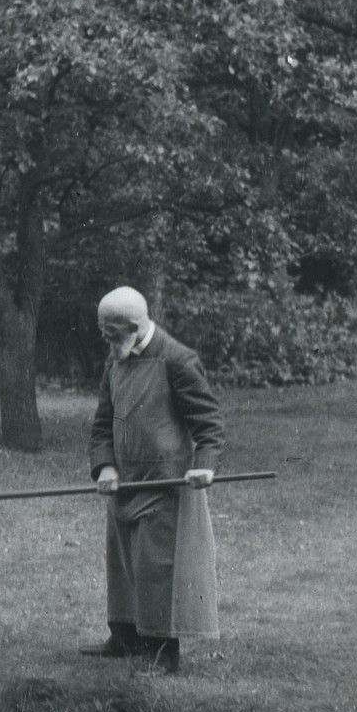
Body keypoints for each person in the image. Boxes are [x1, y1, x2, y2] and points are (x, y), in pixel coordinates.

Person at [83, 287, 223, 674]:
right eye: (103, 333)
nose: (107, 341)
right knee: (123, 564)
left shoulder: (177, 360)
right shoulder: (115, 361)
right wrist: (105, 467)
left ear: (133, 325)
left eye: (111, 333)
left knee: (156, 568)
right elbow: (101, 427)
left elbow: (209, 425)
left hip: (164, 486)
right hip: (123, 483)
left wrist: (205, 465)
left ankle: (163, 653)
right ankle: (124, 637)